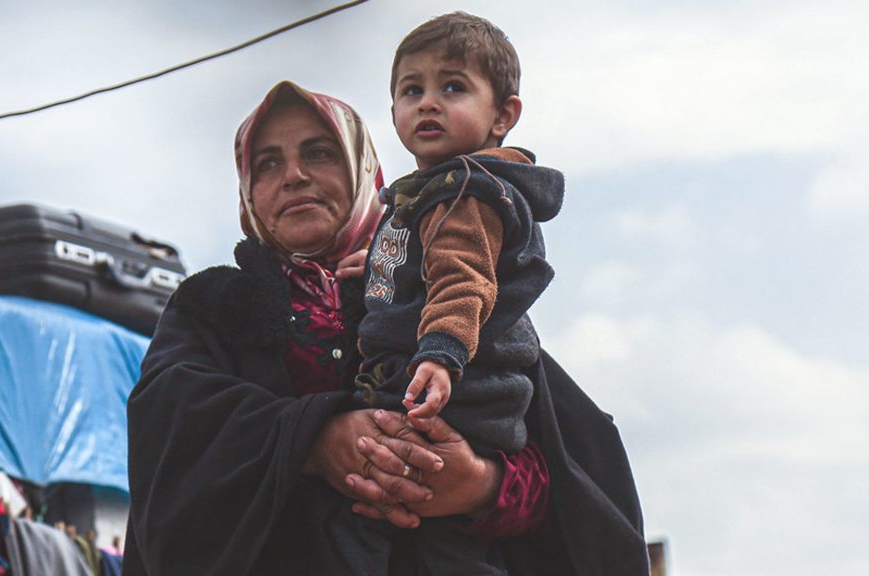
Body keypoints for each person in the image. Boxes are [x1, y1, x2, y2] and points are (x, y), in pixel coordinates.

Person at [124, 80, 648, 575]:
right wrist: (312, 439)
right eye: (267, 164)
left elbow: (570, 464)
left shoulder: (438, 287)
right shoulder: (212, 308)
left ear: (366, 173)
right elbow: (172, 455)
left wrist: (480, 485)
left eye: (319, 153)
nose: (294, 176)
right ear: (247, 197)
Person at [309, 12, 565, 575]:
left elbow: (461, 279)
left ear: (504, 115)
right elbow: (423, 262)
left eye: (453, 87)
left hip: (452, 401)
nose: (428, 102)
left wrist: (441, 356)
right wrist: (375, 265)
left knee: (372, 533)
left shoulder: (464, 193)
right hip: (464, 403)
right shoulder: (434, 195)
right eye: (411, 89)